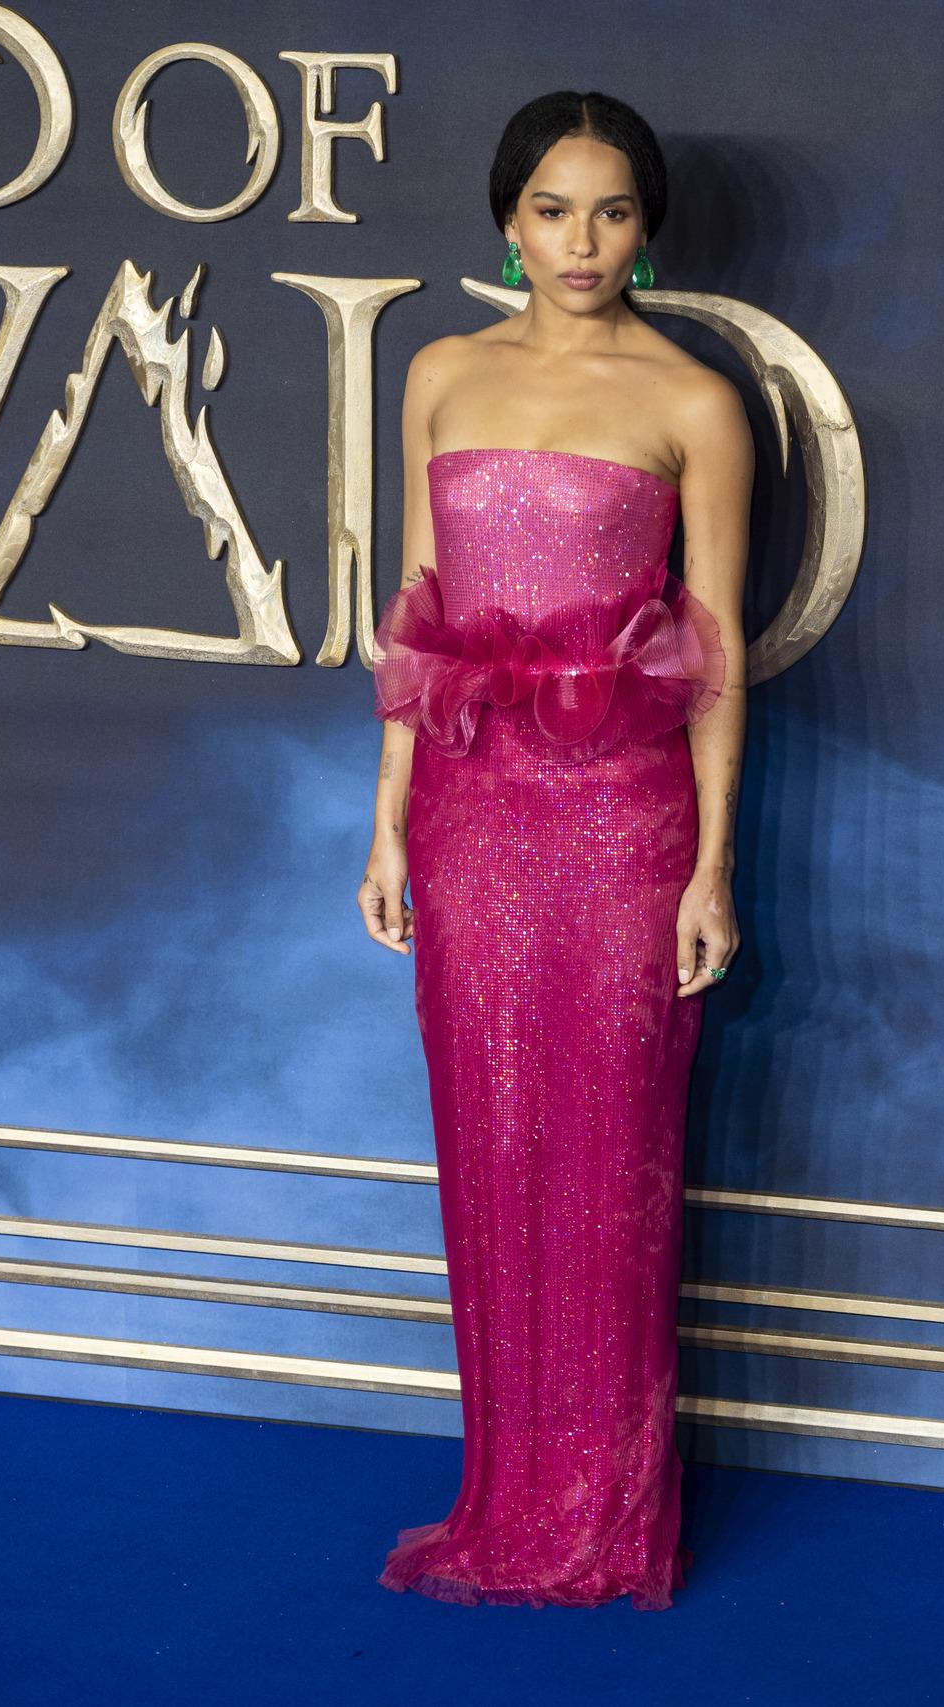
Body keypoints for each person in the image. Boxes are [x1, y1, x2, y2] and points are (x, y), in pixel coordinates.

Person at [357, 88, 750, 1611]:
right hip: (469, 817)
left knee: (615, 1156)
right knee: (492, 1132)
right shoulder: (440, 374)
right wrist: (388, 822)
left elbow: (715, 653)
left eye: (612, 212)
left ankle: (604, 1514)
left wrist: (712, 868)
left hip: (623, 823)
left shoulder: (693, 401)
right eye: (552, 210)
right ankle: (508, 1490)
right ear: (507, 221)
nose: (581, 243)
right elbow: (418, 616)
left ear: (646, 230)